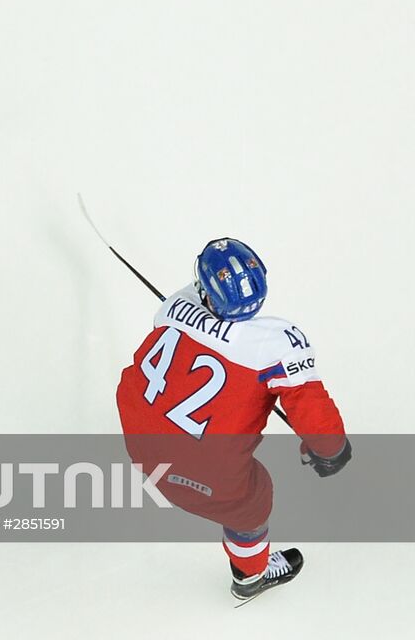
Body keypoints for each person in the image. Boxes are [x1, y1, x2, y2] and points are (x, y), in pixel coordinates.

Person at [116, 238, 350, 600]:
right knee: (252, 501)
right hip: (199, 475)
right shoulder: (277, 343)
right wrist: (331, 450)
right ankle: (249, 576)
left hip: (140, 446)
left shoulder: (174, 306)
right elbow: (313, 411)